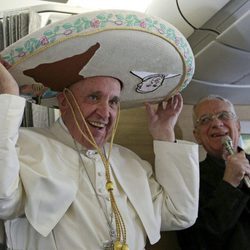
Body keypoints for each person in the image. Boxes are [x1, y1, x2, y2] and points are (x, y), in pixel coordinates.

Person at [0, 53, 199, 250]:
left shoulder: (132, 162)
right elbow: (3, 201)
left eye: (113, 102)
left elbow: (178, 214)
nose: (105, 113)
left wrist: (164, 134)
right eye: (94, 97)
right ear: (64, 102)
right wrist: (8, 94)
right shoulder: (24, 145)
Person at [177, 95, 250, 250]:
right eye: (204, 120)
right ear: (197, 136)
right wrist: (229, 184)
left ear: (237, 126)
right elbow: (197, 242)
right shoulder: (189, 182)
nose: (216, 123)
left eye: (224, 116)